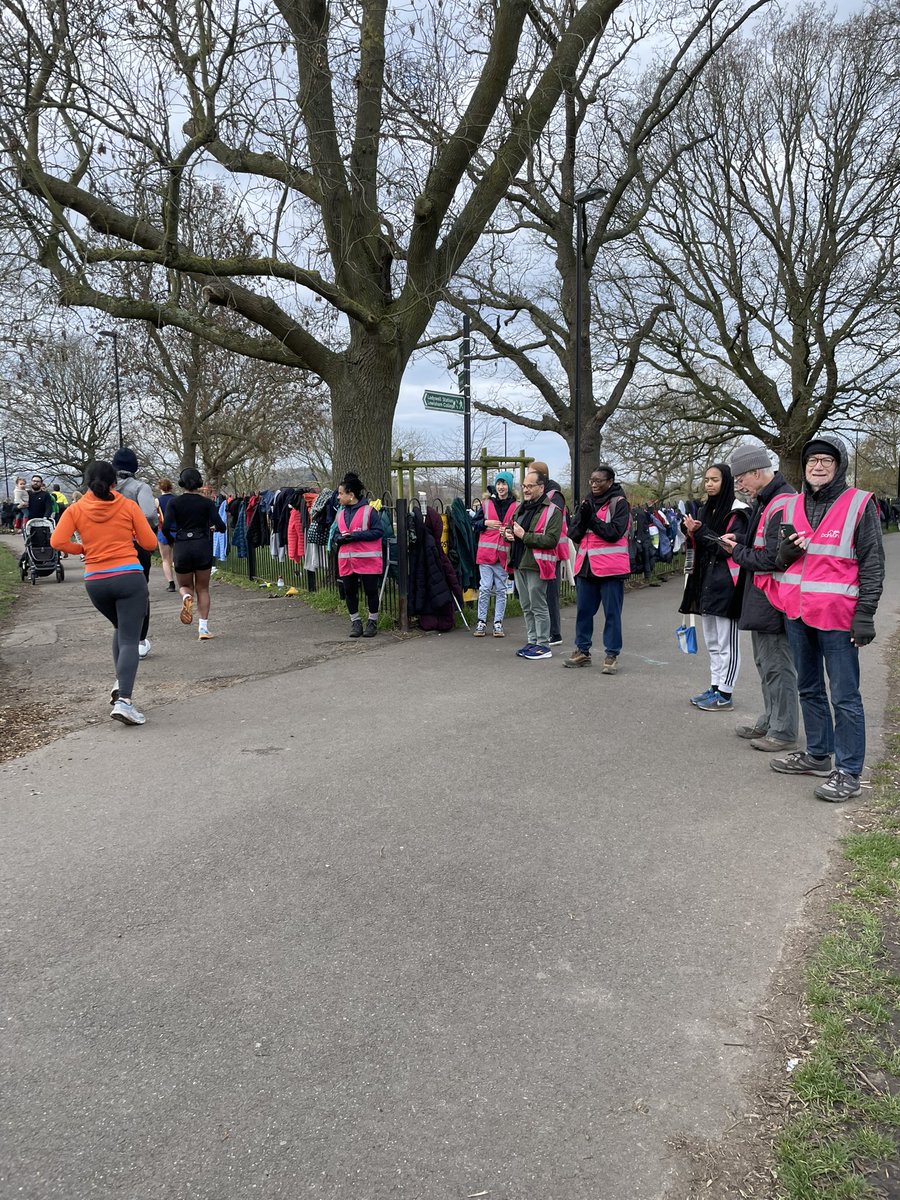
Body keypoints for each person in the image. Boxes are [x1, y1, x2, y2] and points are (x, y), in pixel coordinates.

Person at [756, 435, 885, 802]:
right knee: (809, 689)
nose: (818, 465)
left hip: (840, 619)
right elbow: (774, 560)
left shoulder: (859, 504)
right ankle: (817, 754)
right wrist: (780, 557)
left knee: (845, 697)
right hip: (797, 614)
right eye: (812, 460)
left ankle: (848, 771)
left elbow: (873, 563)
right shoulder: (790, 506)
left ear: (839, 465)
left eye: (827, 460)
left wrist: (866, 614)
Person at [50, 461, 157, 726]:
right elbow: (150, 543)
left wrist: (83, 549)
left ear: (87, 483)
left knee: (121, 629)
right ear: (114, 483)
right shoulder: (128, 506)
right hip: (129, 577)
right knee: (130, 638)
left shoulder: (75, 509)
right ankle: (125, 702)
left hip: (96, 581)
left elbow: (57, 542)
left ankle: (121, 684)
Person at [720, 445, 800, 752]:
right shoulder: (770, 500)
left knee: (777, 664)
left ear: (757, 472)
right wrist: (740, 540)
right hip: (766, 597)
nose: (739, 485)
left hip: (774, 599)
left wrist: (735, 551)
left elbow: (772, 558)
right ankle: (770, 720)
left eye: (741, 478)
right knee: (766, 663)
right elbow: (763, 542)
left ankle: (783, 730)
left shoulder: (780, 503)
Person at [679, 462, 749, 711]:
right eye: (706, 479)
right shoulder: (704, 509)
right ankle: (714, 686)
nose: (709, 484)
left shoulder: (739, 512)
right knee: (712, 641)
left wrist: (700, 532)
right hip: (705, 581)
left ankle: (726, 693)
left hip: (727, 584)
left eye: (715, 479)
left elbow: (725, 548)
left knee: (727, 642)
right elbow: (700, 541)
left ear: (726, 481)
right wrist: (689, 531)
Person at [564, 465, 631, 674]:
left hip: (610, 568)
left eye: (599, 481)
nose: (594, 484)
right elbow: (574, 534)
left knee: (612, 613)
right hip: (586, 566)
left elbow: (613, 533)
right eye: (592, 480)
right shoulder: (586, 502)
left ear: (610, 482)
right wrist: (584, 519)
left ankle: (612, 655)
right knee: (583, 611)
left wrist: (591, 519)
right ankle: (582, 651)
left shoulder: (619, 504)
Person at [504, 468, 562, 660]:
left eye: (530, 486)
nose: (526, 489)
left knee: (538, 606)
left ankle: (543, 645)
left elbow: (551, 540)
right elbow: (512, 528)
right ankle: (532, 641)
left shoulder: (553, 511)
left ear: (541, 487)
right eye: (524, 486)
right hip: (519, 561)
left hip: (537, 564)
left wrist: (524, 536)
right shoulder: (521, 507)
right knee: (526, 605)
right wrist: (508, 534)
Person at [162, 467, 226, 641]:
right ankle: (203, 629)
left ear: (181, 483)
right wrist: (211, 528)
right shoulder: (206, 503)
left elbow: (166, 527)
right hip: (201, 546)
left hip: (182, 546)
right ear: (199, 483)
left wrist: (173, 541)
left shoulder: (173, 503)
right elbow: (221, 526)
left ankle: (186, 597)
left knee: (184, 585)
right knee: (203, 589)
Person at [112, 448, 159, 660]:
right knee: (140, 592)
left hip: (109, 546)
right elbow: (150, 514)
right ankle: (139, 640)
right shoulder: (141, 487)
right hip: (135, 545)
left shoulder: (104, 488)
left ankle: (121, 635)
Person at [335, 472, 384, 638]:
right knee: (349, 591)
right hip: (347, 560)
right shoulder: (340, 513)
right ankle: (355, 622)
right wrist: (339, 539)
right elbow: (335, 533)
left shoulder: (370, 511)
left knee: (371, 591)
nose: (338, 497)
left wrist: (356, 536)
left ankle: (372, 621)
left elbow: (378, 532)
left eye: (341, 493)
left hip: (367, 559)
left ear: (351, 495)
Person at [471, 471, 517, 637]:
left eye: (504, 484)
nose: (501, 487)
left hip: (503, 555)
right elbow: (474, 524)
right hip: (486, 553)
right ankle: (481, 621)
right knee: (484, 588)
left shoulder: (516, 506)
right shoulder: (486, 503)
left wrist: (511, 533)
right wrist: (485, 523)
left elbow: (519, 526)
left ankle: (498, 623)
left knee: (501, 589)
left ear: (509, 486)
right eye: (499, 483)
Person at [528, 460, 567, 644]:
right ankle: (545, 630)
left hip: (552, 549)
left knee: (550, 592)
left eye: (530, 473)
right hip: (544, 548)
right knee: (541, 592)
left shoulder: (553, 495)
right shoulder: (549, 493)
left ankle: (554, 632)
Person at [156, 478, 177, 592]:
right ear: (171, 487)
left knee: (166, 559)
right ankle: (183, 581)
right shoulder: (177, 499)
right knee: (178, 557)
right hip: (177, 531)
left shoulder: (157, 501)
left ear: (160, 488)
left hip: (164, 531)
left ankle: (171, 583)